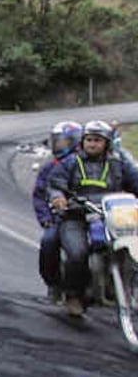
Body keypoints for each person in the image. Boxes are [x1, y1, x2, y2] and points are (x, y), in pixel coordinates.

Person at [48, 120, 138, 316]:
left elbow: (135, 182)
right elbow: (55, 184)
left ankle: (122, 285)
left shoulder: (118, 163)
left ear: (107, 143)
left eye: (97, 140)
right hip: (76, 216)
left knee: (131, 246)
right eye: (89, 140)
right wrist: (58, 198)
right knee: (77, 253)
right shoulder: (70, 162)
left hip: (111, 215)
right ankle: (74, 295)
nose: (92, 144)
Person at [33, 121, 81, 302]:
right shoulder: (49, 167)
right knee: (49, 241)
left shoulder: (86, 162)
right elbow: (39, 195)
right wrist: (46, 218)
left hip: (91, 214)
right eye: (56, 141)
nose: (58, 145)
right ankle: (54, 283)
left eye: (63, 142)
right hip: (60, 217)